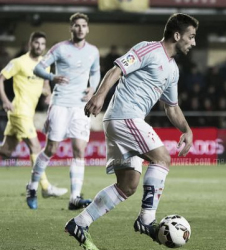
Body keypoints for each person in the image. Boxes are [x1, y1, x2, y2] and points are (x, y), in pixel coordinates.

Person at [64, 13, 198, 250]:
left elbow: (171, 107)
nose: (193, 42)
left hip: (122, 121)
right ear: (177, 35)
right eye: (191, 36)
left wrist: (186, 129)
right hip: (125, 117)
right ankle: (146, 219)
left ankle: (79, 223)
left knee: (127, 185)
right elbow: (116, 70)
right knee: (162, 158)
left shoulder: (173, 70)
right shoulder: (149, 49)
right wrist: (99, 95)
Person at [26, 13, 101, 210]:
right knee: (51, 149)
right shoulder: (60, 48)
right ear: (71, 28)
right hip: (60, 103)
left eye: (84, 25)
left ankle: (75, 197)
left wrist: (93, 88)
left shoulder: (93, 51)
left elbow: (95, 72)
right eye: (76, 25)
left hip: (80, 106)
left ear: (87, 28)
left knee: (79, 151)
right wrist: (52, 77)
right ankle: (32, 188)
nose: (80, 29)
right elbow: (38, 68)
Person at [0, 31, 68, 198]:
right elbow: (0, 78)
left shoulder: (45, 64)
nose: (39, 47)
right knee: (36, 147)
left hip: (27, 113)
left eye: (43, 44)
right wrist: (5, 100)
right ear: (30, 44)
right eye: (36, 43)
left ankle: (44, 186)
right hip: (19, 111)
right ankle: (45, 187)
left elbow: (45, 86)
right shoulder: (18, 62)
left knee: (6, 152)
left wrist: (49, 95)